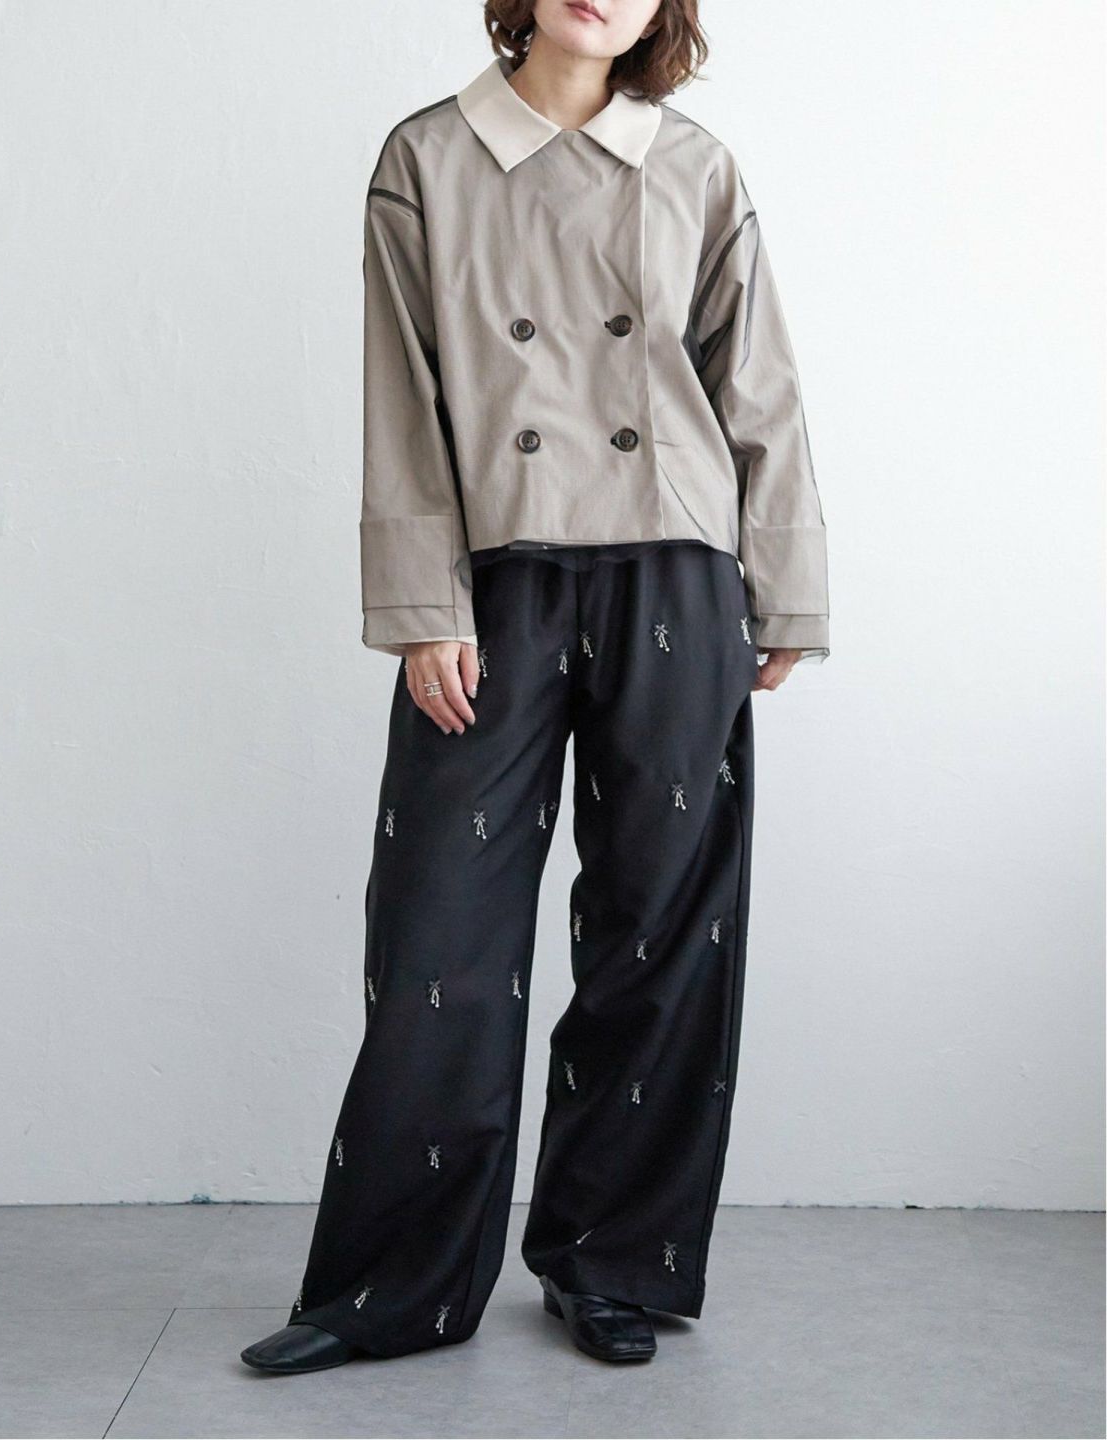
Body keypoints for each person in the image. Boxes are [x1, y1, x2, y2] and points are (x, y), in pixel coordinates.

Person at [241, 0, 829, 1373]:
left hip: (675, 566)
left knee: (662, 928)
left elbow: (758, 383)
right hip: (497, 576)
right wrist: (420, 605)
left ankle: (613, 1261)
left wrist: (787, 581)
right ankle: (393, 1288)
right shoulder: (428, 156)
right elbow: (401, 392)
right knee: (438, 933)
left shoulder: (695, 166)